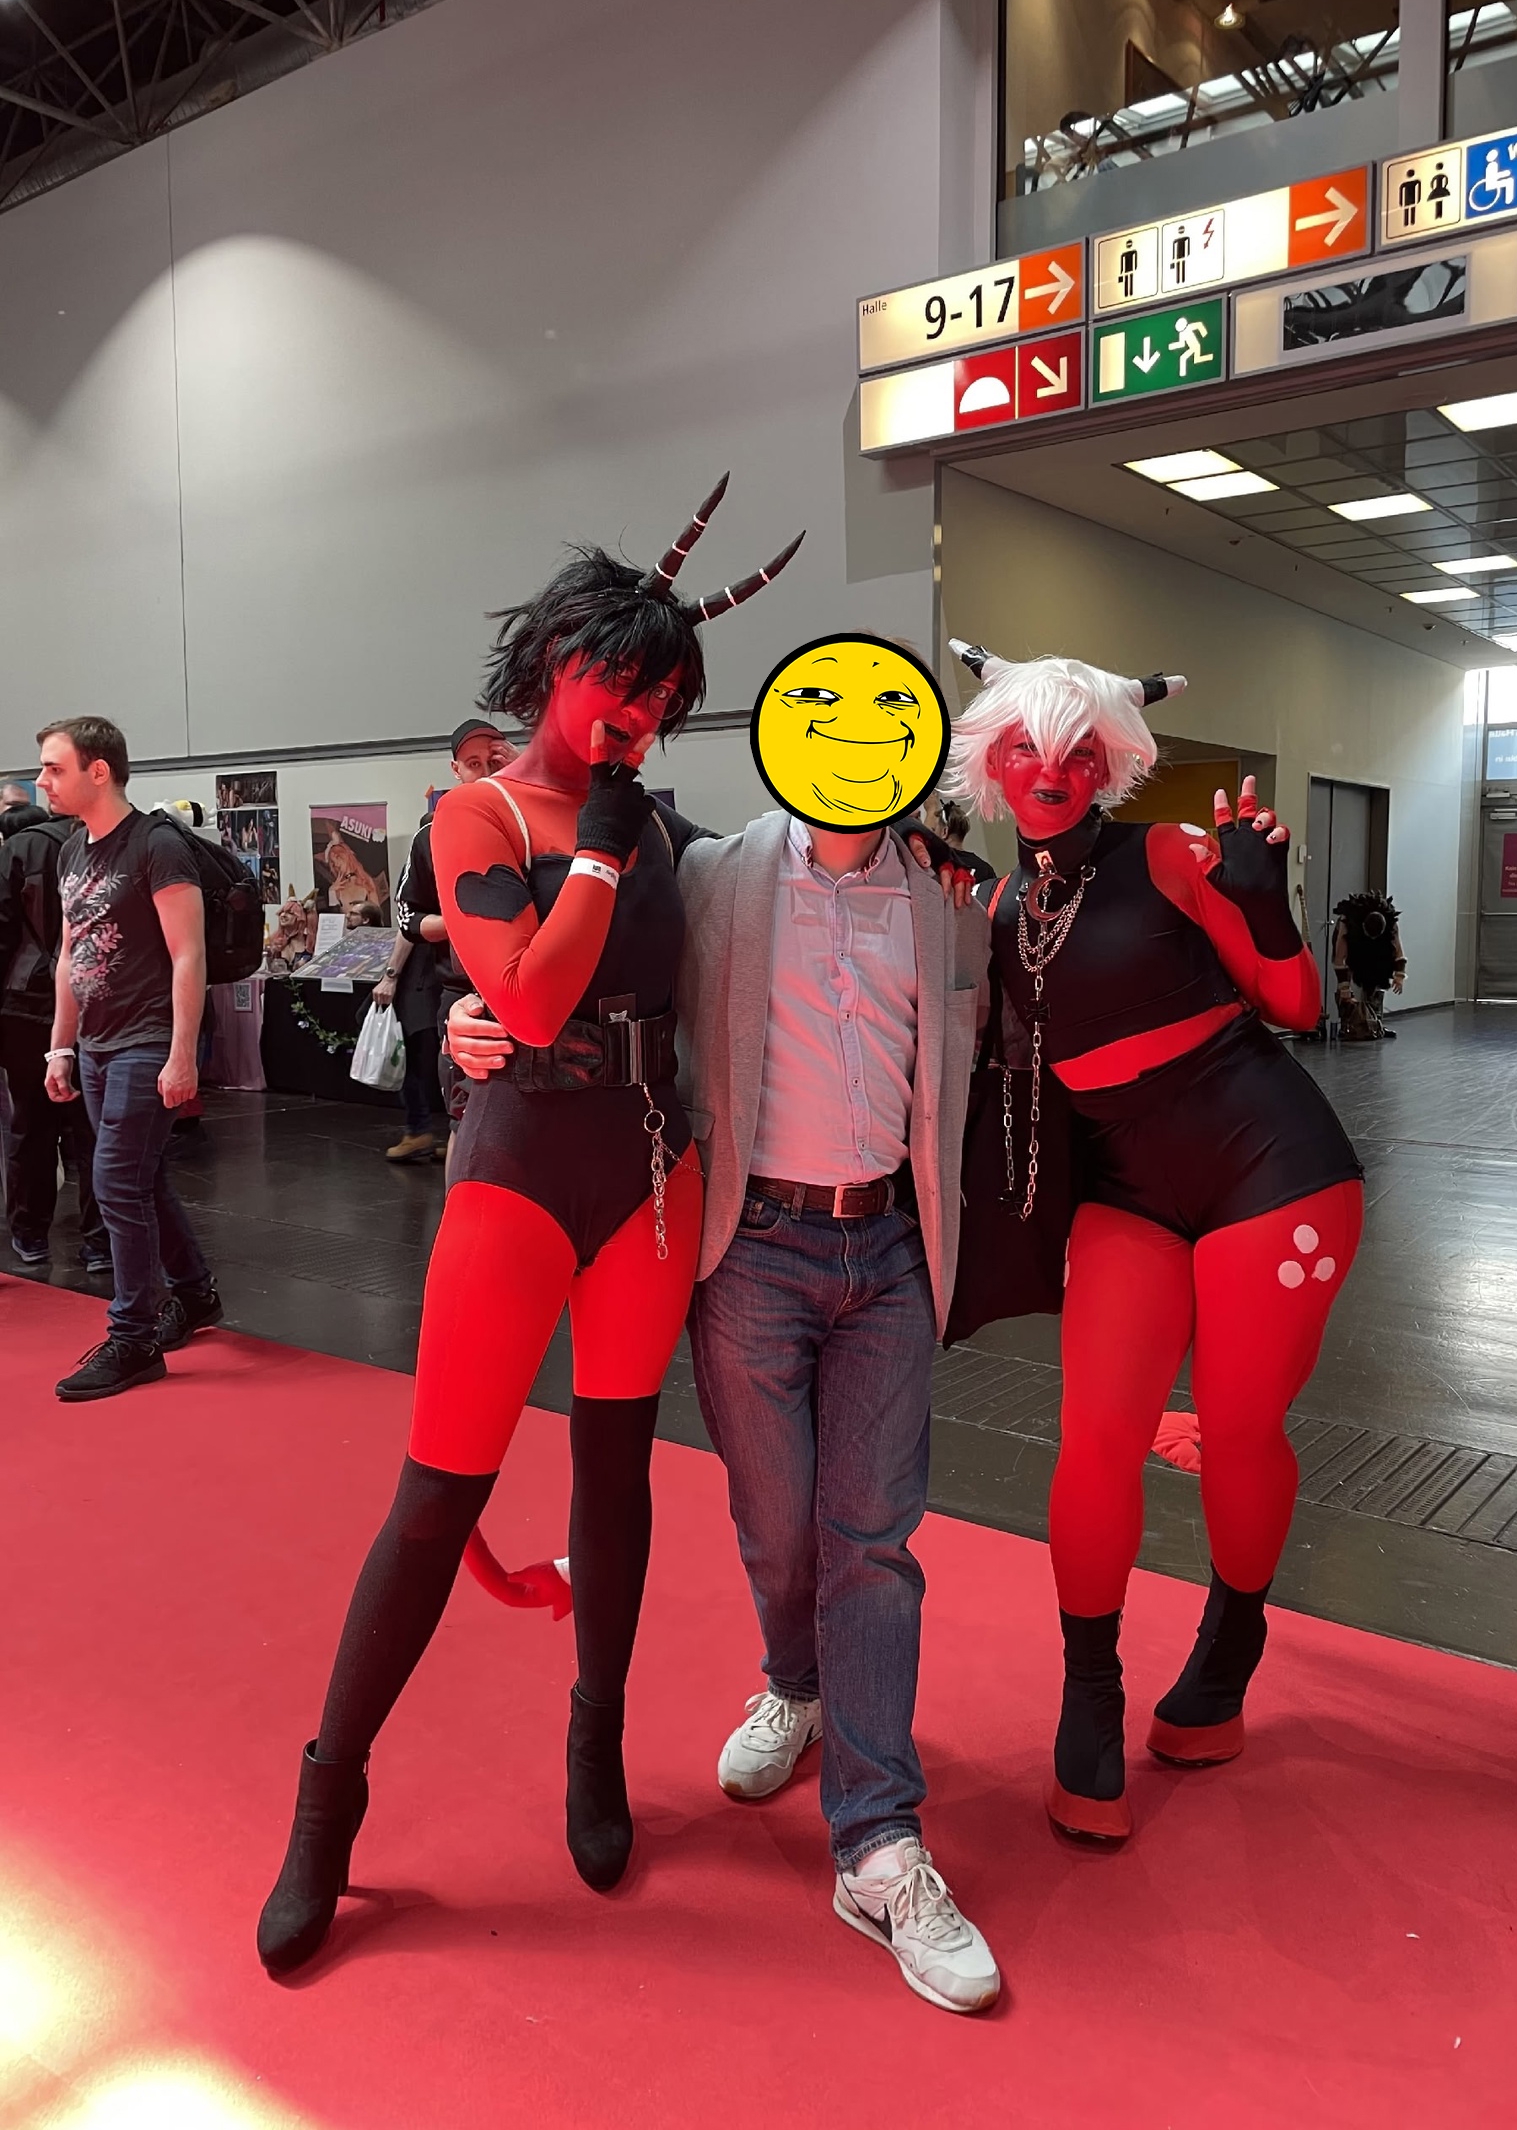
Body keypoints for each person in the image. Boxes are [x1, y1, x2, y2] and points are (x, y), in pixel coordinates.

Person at [256, 478, 803, 1977]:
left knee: (617, 1471)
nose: (640, 716)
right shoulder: (481, 811)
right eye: (623, 683)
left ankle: (596, 1736)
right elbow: (538, 997)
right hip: (515, 1171)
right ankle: (327, 1800)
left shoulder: (670, 828)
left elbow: (777, 908)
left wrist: (933, 855)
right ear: (560, 659)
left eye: (666, 701)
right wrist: (595, 863)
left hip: (646, 1168)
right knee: (438, 1496)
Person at [448, 671, 1002, 2017]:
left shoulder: (948, 894)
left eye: (888, 733)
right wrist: (465, 1022)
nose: (857, 753)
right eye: (832, 726)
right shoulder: (714, 875)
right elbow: (585, 971)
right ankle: (795, 1686)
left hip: (889, 1250)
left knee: (872, 1540)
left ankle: (877, 1842)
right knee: (777, 1525)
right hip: (751, 1246)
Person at [944, 644, 1362, 1842]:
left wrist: (1265, 901)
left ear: (1113, 763)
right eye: (1027, 748)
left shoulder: (1170, 854)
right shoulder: (1003, 905)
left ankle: (1230, 1648)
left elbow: (1295, 1005)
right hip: (1124, 1184)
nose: (1053, 770)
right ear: (991, 762)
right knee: (1096, 1435)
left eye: (1081, 751)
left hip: (1269, 1166)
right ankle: (1090, 1693)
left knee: (1236, 1427)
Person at [37, 717, 222, 1401]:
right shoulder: (71, 850)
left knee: (116, 1183)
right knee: (139, 1179)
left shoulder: (157, 844)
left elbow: (189, 955)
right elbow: (70, 957)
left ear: (99, 771)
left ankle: (134, 1337)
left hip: (148, 1041)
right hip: (96, 1045)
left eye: (54, 768)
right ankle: (194, 1293)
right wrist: (62, 1044)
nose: (42, 781)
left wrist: (182, 1056)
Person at [372, 720, 515, 1166]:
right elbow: (407, 917)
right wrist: (463, 922)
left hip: (530, 993)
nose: (485, 772)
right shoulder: (432, 835)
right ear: (456, 769)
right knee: (465, 1121)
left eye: (494, 761)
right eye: (473, 764)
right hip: (465, 997)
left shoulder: (535, 818)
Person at [0, 801, 109, 1272]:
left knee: (30, 1124)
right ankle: (101, 1242)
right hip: (99, 1002)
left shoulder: (19, 850)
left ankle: (30, 1234)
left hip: (28, 1007)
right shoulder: (110, 842)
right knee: (96, 1129)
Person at [1332, 891, 1405, 1041]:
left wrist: (1399, 975)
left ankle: (1375, 1023)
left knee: (1378, 976)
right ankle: (1347, 1025)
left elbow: (1397, 949)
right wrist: (1344, 987)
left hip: (1378, 943)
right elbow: (1340, 959)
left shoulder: (1391, 924)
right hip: (1355, 940)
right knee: (1345, 986)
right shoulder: (1346, 923)